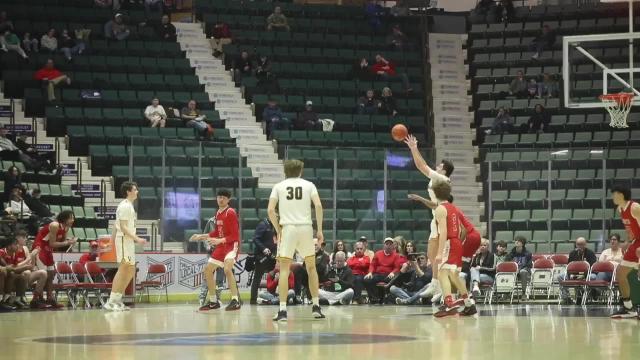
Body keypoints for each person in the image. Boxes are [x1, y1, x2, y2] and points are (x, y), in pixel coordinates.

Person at [268, 159, 325, 321]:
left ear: (285, 172)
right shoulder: (309, 185)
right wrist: (319, 230)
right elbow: (319, 206)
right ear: (301, 171)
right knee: (311, 268)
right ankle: (316, 307)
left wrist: (279, 229)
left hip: (289, 228)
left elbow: (271, 210)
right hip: (306, 228)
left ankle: (283, 311)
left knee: (284, 270)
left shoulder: (278, 186)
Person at [404, 134, 454, 304]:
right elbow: (434, 204)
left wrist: (413, 148)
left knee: (438, 256)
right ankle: (437, 286)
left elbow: (421, 166)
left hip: (442, 218)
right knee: (432, 256)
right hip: (437, 217)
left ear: (444, 169)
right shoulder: (440, 179)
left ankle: (439, 287)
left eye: (439, 165)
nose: (437, 167)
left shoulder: (441, 178)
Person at [191, 189, 241, 312]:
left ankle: (235, 300)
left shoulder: (231, 212)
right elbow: (216, 232)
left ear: (228, 200)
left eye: (223, 197)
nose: (221, 199)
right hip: (221, 246)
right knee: (207, 270)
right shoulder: (218, 213)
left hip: (230, 246)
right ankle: (213, 301)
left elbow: (235, 236)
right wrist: (201, 236)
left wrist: (219, 240)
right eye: (219, 197)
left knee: (227, 269)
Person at [431, 181, 476, 317]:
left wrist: (439, 253)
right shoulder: (454, 208)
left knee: (442, 273)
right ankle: (469, 305)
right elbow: (463, 229)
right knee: (454, 275)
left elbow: (443, 232)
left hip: (449, 242)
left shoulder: (440, 209)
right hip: (456, 242)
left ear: (435, 194)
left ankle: (449, 303)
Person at [103, 182, 146, 311]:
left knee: (131, 270)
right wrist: (137, 238)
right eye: (135, 189)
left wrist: (111, 242)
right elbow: (122, 227)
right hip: (123, 240)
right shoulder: (124, 206)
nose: (137, 191)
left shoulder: (129, 206)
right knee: (123, 268)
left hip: (127, 241)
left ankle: (117, 299)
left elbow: (115, 225)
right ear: (128, 191)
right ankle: (111, 301)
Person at [32, 210, 77, 309]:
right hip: (40, 248)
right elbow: (52, 243)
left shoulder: (66, 228)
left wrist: (70, 241)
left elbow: (61, 242)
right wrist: (67, 243)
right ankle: (36, 299)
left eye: (73, 218)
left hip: (48, 250)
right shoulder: (55, 225)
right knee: (43, 274)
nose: (73, 220)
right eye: (71, 218)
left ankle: (50, 298)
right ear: (64, 218)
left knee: (51, 273)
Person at [610, 185, 640, 318]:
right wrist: (628, 242)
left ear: (621, 194)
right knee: (621, 274)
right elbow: (631, 228)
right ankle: (629, 308)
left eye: (614, 194)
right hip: (636, 242)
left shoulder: (635, 207)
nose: (612, 197)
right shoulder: (620, 209)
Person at [363, 237, 405, 303]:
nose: (388, 246)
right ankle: (374, 299)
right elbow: (372, 265)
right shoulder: (377, 253)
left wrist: (393, 272)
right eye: (387, 244)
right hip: (378, 274)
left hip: (388, 275)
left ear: (393, 246)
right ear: (384, 245)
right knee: (367, 280)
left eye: (390, 244)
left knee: (395, 280)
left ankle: (388, 299)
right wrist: (370, 272)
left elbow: (397, 267)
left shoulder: (396, 256)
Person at [293, 238, 330, 302]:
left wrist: (310, 268)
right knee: (298, 269)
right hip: (308, 277)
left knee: (311, 276)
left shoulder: (325, 255)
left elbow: (321, 269)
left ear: (320, 245)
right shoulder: (308, 256)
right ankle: (297, 296)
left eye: (316, 245)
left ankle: (311, 297)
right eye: (312, 245)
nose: (314, 247)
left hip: (319, 277)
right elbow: (304, 267)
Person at [250, 218, 277, 304]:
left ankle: (275, 298)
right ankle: (253, 300)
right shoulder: (263, 224)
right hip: (262, 256)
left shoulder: (274, 225)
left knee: (276, 274)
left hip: (272, 257)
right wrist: (263, 248)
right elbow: (255, 239)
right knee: (257, 278)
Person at [505, 235, 532, 300]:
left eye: (519, 241)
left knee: (523, 272)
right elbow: (506, 262)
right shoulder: (511, 253)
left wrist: (520, 269)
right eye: (516, 241)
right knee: (508, 273)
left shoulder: (528, 253)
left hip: (524, 271)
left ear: (522, 244)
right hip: (514, 272)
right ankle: (507, 293)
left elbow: (529, 265)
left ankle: (523, 293)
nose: (516, 242)